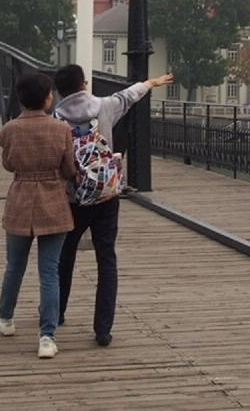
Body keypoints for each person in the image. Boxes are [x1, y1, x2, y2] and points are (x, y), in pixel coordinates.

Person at [52, 65, 174, 347]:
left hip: (73, 197)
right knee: (106, 258)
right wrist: (151, 82)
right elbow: (129, 95)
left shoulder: (55, 119)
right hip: (106, 193)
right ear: (84, 84)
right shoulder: (105, 106)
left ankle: (57, 312)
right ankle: (103, 328)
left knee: (65, 255)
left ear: (59, 91)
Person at [0, 72, 77, 360]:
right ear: (47, 98)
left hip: (20, 200)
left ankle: (6, 317)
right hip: (53, 201)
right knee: (49, 272)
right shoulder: (61, 130)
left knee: (15, 266)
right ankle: (47, 337)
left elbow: (8, 164)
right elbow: (69, 170)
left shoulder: (9, 130)